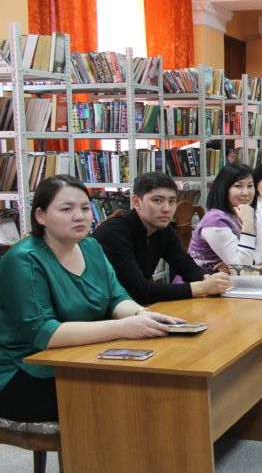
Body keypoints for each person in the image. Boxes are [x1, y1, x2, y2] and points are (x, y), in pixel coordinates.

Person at [0, 175, 183, 422]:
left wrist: (142, 315)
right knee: (134, 397)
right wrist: (123, 327)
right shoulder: (24, 259)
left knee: (163, 377)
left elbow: (116, 297)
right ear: (40, 216)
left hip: (83, 356)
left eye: (85, 208)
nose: (80, 216)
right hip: (26, 370)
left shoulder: (91, 247)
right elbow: (44, 333)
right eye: (67, 209)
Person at [93, 172, 232, 305]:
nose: (166, 209)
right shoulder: (113, 233)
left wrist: (209, 279)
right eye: (157, 200)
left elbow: (186, 266)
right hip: (102, 311)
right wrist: (202, 287)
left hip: (133, 309)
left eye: (172, 201)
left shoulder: (162, 229)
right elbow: (139, 291)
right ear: (136, 202)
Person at [188, 163, 257, 270]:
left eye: (250, 186)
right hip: (202, 279)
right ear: (224, 189)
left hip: (228, 278)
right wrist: (248, 223)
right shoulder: (215, 221)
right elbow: (243, 267)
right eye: (238, 186)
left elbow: (257, 253)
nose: (246, 193)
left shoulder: (240, 213)